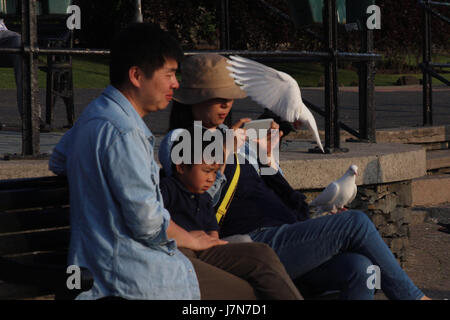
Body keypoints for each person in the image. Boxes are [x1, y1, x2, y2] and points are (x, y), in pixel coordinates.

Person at [162, 53, 431, 300]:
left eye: (230, 96)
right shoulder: (182, 139)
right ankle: (414, 298)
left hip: (288, 234)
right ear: (193, 99)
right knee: (356, 222)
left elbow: (276, 193)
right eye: (216, 96)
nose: (226, 103)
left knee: (359, 268)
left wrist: (268, 160)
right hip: (252, 242)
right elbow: (196, 199)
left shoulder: (233, 136)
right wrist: (224, 152)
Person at [49, 23, 255, 300]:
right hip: (128, 274)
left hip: (107, 261)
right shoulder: (124, 132)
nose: (175, 83)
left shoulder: (98, 113)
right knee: (244, 295)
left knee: (253, 266)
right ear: (136, 75)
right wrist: (192, 239)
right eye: (169, 73)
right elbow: (147, 224)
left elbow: (58, 160)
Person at [159, 125, 302, 300]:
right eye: (206, 171)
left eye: (215, 171)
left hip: (205, 248)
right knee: (252, 281)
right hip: (181, 249)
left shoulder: (202, 195)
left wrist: (213, 240)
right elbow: (156, 219)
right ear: (181, 167)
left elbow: (212, 226)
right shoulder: (168, 188)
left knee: (256, 249)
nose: (212, 178)